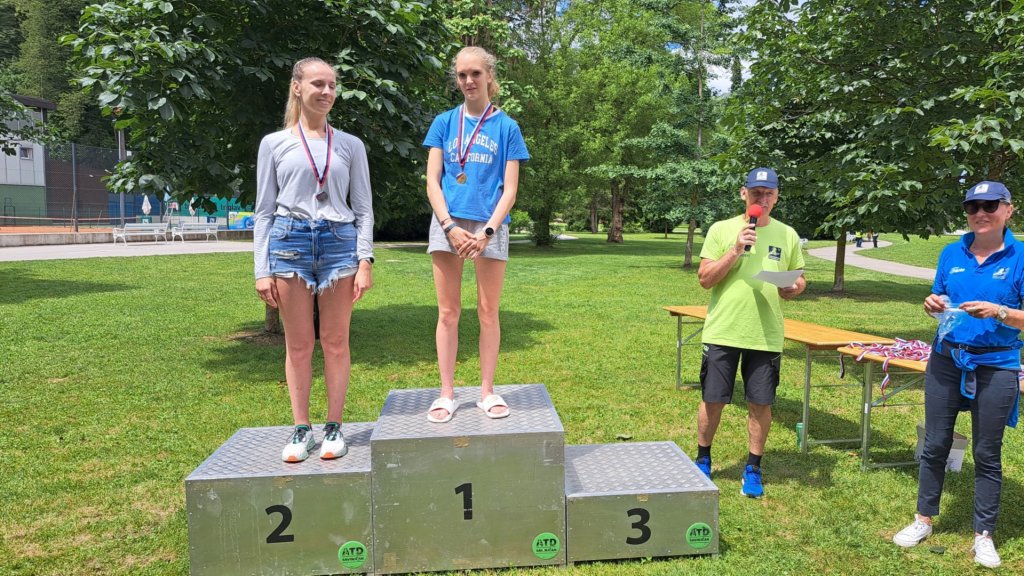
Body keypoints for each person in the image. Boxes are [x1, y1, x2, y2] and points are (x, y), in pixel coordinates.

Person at [892, 181, 1022, 569]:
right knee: (935, 444)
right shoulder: (951, 253)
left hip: (996, 365)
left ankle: (984, 535)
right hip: (946, 361)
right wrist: (932, 304)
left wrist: (999, 311)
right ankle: (923, 519)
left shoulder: (1019, 257)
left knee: (987, 452)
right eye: (972, 207)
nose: (980, 213)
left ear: (1008, 209)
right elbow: (941, 302)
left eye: (990, 205)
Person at [254, 57, 375, 462]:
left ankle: (334, 427)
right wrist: (261, 270)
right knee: (299, 344)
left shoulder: (351, 145)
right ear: (297, 87)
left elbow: (363, 209)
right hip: (289, 242)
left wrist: (365, 260)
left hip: (340, 242)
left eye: (332, 85)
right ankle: (302, 429)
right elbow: (264, 211)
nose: (326, 92)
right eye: (318, 84)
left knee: (336, 341)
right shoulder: (274, 143)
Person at [422, 46, 530, 423]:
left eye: (475, 74)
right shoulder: (443, 123)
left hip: (490, 225)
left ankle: (486, 391)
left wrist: (486, 231)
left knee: (487, 311)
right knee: (448, 312)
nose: (468, 81)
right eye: (462, 74)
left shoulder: (507, 127)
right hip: (447, 224)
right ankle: (446, 393)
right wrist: (449, 227)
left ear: (489, 76)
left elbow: (510, 190)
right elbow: (432, 181)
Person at [694, 167, 806, 497]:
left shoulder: (787, 234)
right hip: (724, 331)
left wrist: (795, 288)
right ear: (744, 194)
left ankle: (753, 468)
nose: (762, 198)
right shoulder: (721, 229)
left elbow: (799, 278)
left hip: (765, 334)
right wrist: (735, 250)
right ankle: (703, 460)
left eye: (769, 193)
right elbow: (705, 279)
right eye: (756, 192)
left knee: (760, 403)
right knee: (713, 400)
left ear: (777, 197)